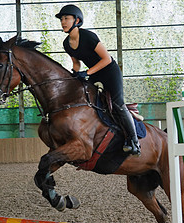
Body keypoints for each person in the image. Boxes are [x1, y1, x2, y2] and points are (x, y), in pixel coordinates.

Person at [55, 4, 141, 156]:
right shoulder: (66, 43)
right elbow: (76, 63)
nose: (63, 21)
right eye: (61, 19)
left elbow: (106, 59)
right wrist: (74, 74)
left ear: (77, 20)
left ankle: (134, 141)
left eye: (66, 18)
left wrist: (86, 73)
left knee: (117, 104)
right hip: (93, 73)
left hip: (109, 71)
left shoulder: (88, 36)